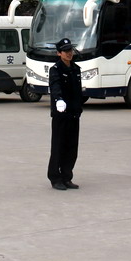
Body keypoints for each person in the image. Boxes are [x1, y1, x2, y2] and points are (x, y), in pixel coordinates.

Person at [48, 38, 84, 190]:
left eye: (70, 50)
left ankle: (67, 176)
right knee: (58, 147)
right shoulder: (55, 69)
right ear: (59, 53)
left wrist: (79, 107)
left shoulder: (75, 68)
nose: (69, 53)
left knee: (72, 147)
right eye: (65, 51)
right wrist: (58, 100)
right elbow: (55, 85)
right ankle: (55, 178)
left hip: (74, 114)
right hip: (61, 114)